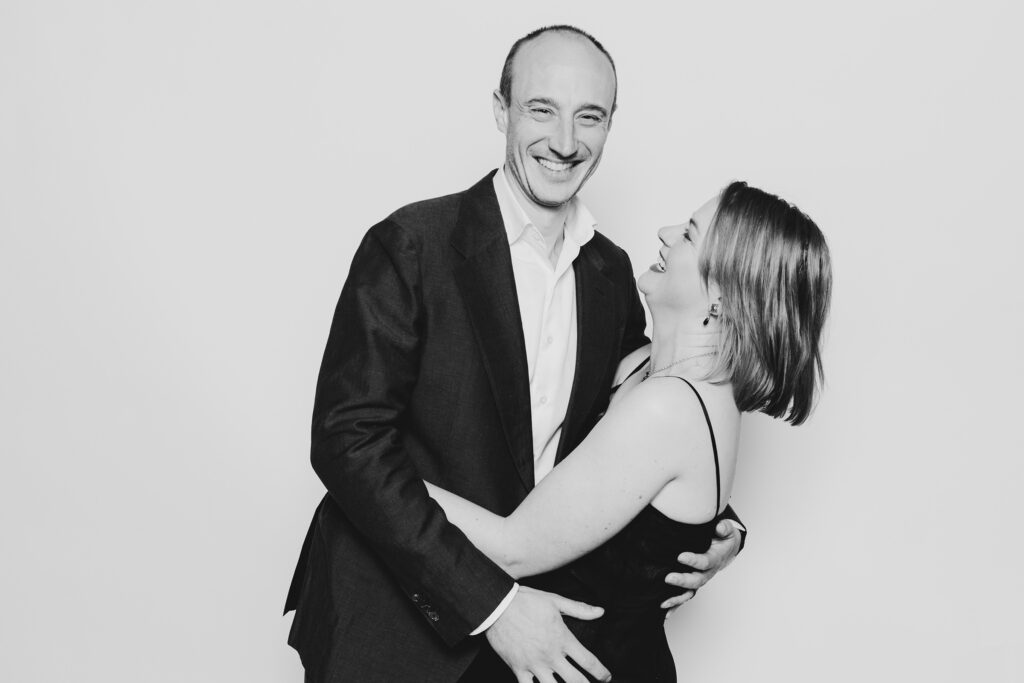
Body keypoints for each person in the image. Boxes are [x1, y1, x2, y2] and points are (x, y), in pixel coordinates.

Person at [284, 25, 745, 682]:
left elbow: (654, 409)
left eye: (589, 116)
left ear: (611, 125)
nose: (564, 142)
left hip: (540, 634)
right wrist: (494, 605)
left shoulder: (613, 272)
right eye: (541, 110)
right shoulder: (412, 245)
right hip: (393, 621)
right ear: (501, 111)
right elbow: (345, 441)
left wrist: (708, 521)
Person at [425, 181, 833, 682]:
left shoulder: (669, 409)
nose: (664, 234)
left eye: (688, 234)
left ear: (725, 296)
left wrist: (372, 474)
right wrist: (729, 529)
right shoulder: (646, 367)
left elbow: (515, 547)